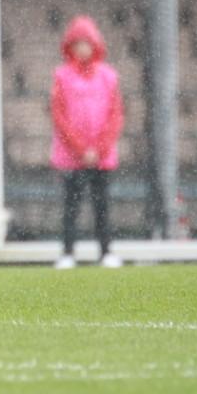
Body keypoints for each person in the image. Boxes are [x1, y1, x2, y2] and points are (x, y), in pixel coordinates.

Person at [49, 15, 124, 270]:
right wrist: (80, 149)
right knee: (71, 206)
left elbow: (115, 115)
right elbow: (59, 116)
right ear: (70, 47)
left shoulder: (108, 77)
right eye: (77, 44)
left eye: (86, 43)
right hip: (72, 156)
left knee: (102, 206)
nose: (82, 49)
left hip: (101, 157)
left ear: (95, 45)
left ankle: (106, 251)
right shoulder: (62, 77)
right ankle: (68, 252)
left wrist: (100, 148)